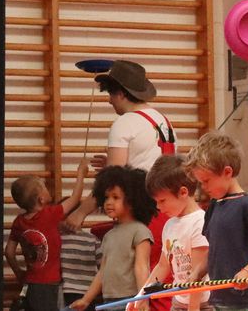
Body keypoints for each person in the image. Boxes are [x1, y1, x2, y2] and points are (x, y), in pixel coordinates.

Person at [65, 59, 177, 311]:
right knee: (163, 283)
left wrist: (81, 212)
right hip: (167, 212)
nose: (109, 101)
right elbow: (149, 163)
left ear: (121, 93)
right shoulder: (163, 120)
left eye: (110, 95)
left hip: (141, 215)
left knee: (136, 280)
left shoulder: (124, 123)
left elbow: (114, 181)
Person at [185, 132, 248, 311]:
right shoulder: (213, 207)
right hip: (219, 298)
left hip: (245, 301)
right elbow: (214, 249)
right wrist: (198, 272)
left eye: (206, 181)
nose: (203, 188)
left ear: (227, 172)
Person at [69, 166, 157, 311]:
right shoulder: (109, 236)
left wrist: (143, 300)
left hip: (130, 300)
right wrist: (86, 299)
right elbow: (102, 271)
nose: (108, 202)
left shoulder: (140, 231)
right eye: (106, 197)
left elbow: (142, 267)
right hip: (108, 301)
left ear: (131, 200)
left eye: (115, 197)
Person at [5, 159, 89, 311]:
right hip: (49, 285)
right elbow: (75, 198)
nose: (46, 188)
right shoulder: (49, 215)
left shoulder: (18, 222)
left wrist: (18, 272)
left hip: (29, 283)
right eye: (44, 187)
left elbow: (9, 252)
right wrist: (81, 173)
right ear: (41, 199)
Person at [130, 155, 211, 311]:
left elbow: (198, 275)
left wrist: (193, 309)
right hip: (178, 302)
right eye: (156, 202)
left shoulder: (200, 222)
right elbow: (162, 266)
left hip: (201, 304)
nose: (158, 207)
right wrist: (142, 294)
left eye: (162, 201)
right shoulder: (169, 225)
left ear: (183, 192)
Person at [60, 216, 103, 310]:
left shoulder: (59, 239)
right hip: (89, 291)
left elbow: (103, 268)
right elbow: (103, 266)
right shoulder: (93, 239)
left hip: (69, 291)